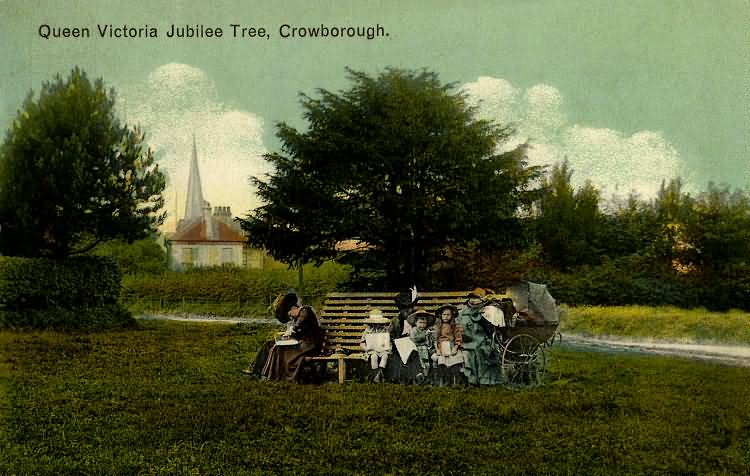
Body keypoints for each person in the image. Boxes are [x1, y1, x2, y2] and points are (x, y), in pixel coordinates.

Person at [259, 291, 323, 383]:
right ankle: (266, 373)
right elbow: (297, 331)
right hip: (304, 343)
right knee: (273, 345)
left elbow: (298, 325)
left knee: (278, 349)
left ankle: (272, 375)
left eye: (290, 314)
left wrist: (291, 330)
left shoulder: (305, 311)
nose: (291, 318)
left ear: (293, 308)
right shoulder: (299, 316)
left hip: (310, 345)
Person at [456, 288, 502, 385]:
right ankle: (471, 378)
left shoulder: (488, 310)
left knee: (481, 350)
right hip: (467, 340)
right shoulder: (463, 312)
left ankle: (485, 379)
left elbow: (491, 329)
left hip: (482, 339)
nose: (472, 300)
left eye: (476, 298)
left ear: (482, 299)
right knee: (469, 351)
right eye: (471, 298)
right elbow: (459, 326)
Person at [434, 304, 465, 386]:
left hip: (451, 346)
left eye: (448, 315)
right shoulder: (438, 327)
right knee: (442, 363)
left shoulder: (454, 326)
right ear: (441, 315)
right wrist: (437, 350)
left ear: (452, 316)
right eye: (444, 315)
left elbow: (458, 338)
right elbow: (435, 340)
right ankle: (443, 382)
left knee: (455, 362)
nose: (446, 317)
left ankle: (455, 382)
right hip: (442, 347)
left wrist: (455, 347)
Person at [360, 308, 392, 382]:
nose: (377, 325)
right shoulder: (368, 331)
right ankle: (376, 374)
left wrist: (388, 348)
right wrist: (366, 348)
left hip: (382, 350)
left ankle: (379, 372)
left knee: (385, 356)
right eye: (375, 323)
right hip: (372, 350)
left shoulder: (385, 330)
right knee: (373, 357)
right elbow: (362, 342)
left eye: (379, 323)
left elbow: (388, 342)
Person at [408, 310, 436, 382]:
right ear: (415, 323)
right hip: (416, 350)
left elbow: (429, 342)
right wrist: (425, 335)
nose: (422, 325)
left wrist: (429, 337)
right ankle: (418, 378)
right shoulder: (413, 330)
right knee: (419, 364)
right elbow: (414, 339)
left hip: (426, 350)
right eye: (420, 323)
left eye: (424, 323)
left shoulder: (426, 331)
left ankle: (426, 377)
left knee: (427, 364)